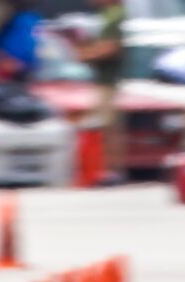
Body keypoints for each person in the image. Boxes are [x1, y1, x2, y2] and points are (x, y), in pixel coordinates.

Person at [75, 0, 127, 182]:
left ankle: (110, 172)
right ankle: (101, 169)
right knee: (104, 128)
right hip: (103, 82)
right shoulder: (105, 17)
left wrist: (84, 55)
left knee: (107, 129)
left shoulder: (116, 17)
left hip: (111, 82)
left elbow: (110, 48)